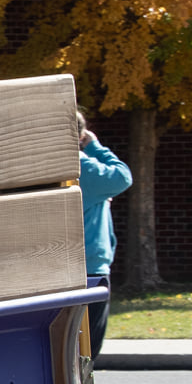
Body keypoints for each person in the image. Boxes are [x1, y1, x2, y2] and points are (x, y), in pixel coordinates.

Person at [77, 113, 133, 356]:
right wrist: (95, 146)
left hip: (58, 264)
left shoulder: (40, 167)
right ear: (79, 134)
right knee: (88, 349)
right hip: (91, 268)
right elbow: (122, 176)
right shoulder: (83, 167)